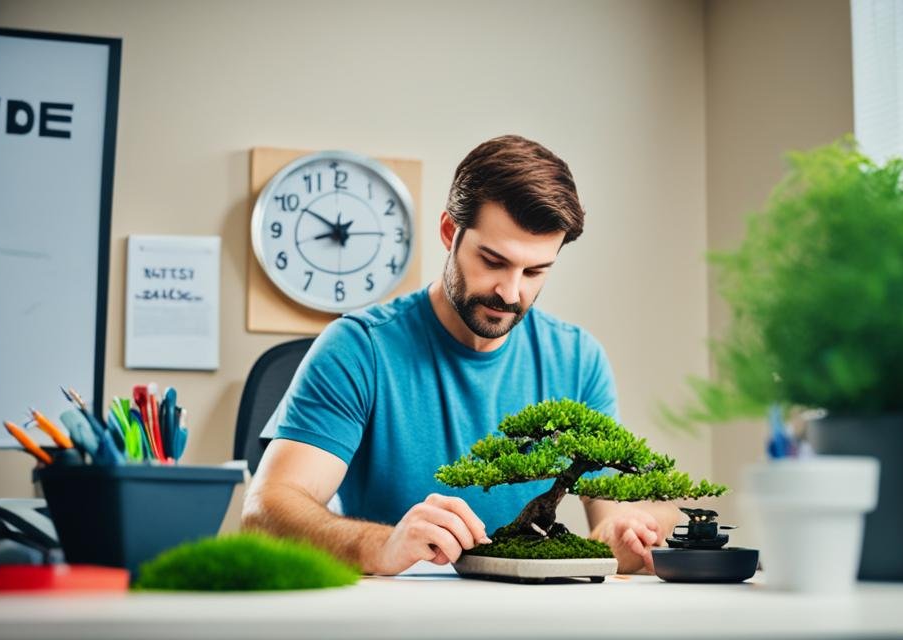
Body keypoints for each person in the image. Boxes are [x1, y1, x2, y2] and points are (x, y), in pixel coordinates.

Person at [242, 135, 682, 575]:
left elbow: (616, 518)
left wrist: (623, 535)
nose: (510, 292)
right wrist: (384, 544)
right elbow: (265, 513)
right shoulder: (359, 348)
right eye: (492, 261)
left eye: (534, 271)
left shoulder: (577, 359)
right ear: (450, 231)